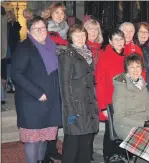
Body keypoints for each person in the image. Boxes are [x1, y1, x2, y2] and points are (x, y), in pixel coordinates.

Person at [11, 16, 62, 163]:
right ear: (29, 30)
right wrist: (37, 93)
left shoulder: (51, 46)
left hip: (49, 101)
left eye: (43, 28)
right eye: (36, 28)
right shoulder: (24, 47)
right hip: (31, 101)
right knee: (33, 141)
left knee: (43, 138)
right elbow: (16, 74)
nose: (41, 31)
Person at [58, 24, 99, 163]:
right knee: (72, 144)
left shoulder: (88, 53)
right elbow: (64, 84)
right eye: (77, 35)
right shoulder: (68, 55)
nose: (81, 38)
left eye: (83, 35)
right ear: (70, 38)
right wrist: (70, 110)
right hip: (75, 104)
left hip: (88, 104)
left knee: (86, 144)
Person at [41, 3, 69, 160]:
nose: (59, 15)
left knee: (57, 115)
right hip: (51, 76)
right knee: (50, 114)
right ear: (50, 14)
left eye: (62, 13)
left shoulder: (65, 30)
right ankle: (46, 151)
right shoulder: (47, 31)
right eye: (56, 12)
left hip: (63, 76)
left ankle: (51, 148)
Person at [95, 29, 126, 162]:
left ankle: (122, 157)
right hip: (110, 102)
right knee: (111, 132)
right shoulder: (105, 57)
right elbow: (99, 84)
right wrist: (102, 107)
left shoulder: (127, 57)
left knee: (124, 130)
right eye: (116, 39)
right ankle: (109, 157)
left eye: (121, 39)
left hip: (125, 102)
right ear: (110, 42)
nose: (119, 42)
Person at [83, 18, 104, 161]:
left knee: (93, 123)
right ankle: (85, 153)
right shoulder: (82, 47)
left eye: (96, 29)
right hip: (85, 90)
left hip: (98, 90)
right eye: (90, 29)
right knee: (86, 122)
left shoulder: (101, 49)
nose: (94, 32)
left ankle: (89, 152)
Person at [6, 10, 21, 93]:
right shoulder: (6, 24)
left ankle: (12, 84)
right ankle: (9, 84)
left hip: (13, 47)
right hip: (8, 47)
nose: (9, 17)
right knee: (8, 66)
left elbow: (16, 37)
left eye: (10, 15)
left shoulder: (16, 24)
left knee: (12, 65)